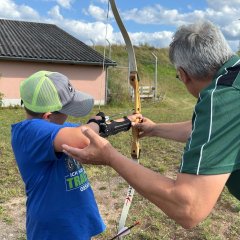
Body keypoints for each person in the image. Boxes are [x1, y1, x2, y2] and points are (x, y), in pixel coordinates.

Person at [62, 20, 240, 229]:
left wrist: (109, 156)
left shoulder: (222, 98)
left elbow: (188, 207)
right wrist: (155, 129)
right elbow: (213, 132)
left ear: (183, 75)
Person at [11, 70, 140, 240]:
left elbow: (92, 131)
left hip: (73, 222)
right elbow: (83, 136)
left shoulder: (57, 129)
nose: (69, 116)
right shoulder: (28, 132)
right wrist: (95, 123)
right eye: (67, 110)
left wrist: (128, 121)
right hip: (54, 231)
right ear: (48, 116)